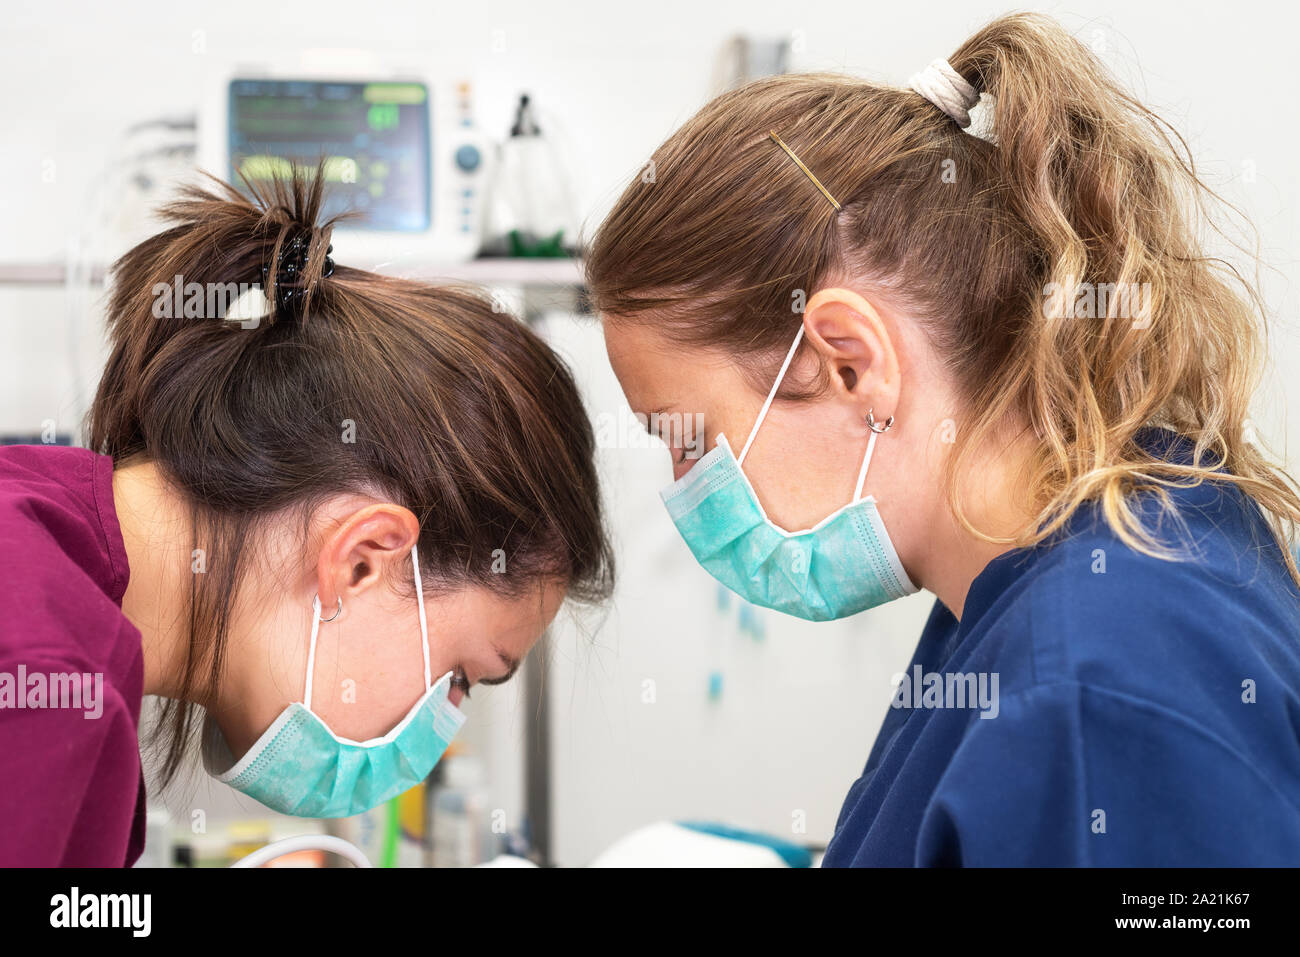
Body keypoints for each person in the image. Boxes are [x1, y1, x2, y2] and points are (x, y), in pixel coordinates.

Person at [584, 12, 1300, 865]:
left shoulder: (1097, 680)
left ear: (849, 364)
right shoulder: (1074, 552)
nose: (684, 491)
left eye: (689, 439)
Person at [0, 170, 613, 866]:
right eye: (462, 677)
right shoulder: (42, 684)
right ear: (362, 559)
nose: (439, 724)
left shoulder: (39, 546)